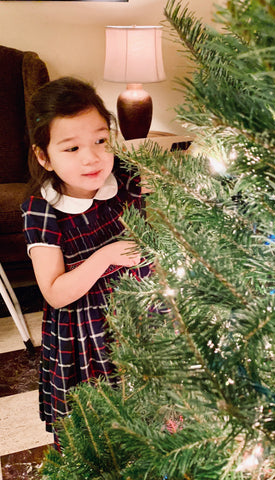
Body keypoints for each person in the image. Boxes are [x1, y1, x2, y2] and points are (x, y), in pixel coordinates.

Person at [21, 76, 149, 448]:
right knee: (101, 422)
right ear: (45, 156)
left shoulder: (124, 177)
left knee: (151, 404)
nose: (92, 157)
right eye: (72, 148)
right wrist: (106, 256)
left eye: (100, 141)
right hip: (87, 330)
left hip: (143, 310)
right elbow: (55, 293)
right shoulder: (41, 210)